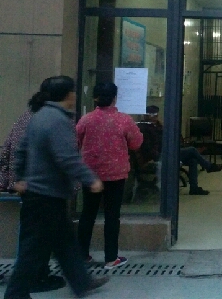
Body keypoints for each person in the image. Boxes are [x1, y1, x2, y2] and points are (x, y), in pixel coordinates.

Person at [4, 75, 109, 299]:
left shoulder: (39, 116)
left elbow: (21, 149)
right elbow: (66, 157)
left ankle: (82, 282)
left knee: (65, 242)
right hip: (46, 195)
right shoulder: (57, 120)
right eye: (73, 91)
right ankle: (15, 294)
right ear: (68, 95)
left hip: (40, 193)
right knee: (32, 250)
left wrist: (21, 176)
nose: (75, 95)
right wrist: (90, 179)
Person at [0, 79, 66, 294]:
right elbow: (61, 157)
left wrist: (14, 179)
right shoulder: (49, 119)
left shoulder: (27, 117)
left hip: (26, 185)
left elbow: (8, 150)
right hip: (41, 187)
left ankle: (31, 279)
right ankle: (35, 278)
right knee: (37, 240)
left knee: (34, 236)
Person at [76, 82, 143, 270]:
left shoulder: (86, 120)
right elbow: (136, 143)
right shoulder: (124, 120)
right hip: (116, 175)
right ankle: (111, 258)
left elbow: (75, 142)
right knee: (112, 216)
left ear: (94, 98)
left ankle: (82, 255)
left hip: (90, 174)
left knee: (87, 214)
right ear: (115, 98)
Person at [141, 105, 222, 196]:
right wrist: (158, 155)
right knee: (192, 150)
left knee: (193, 160)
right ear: (146, 116)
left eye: (156, 115)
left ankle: (194, 188)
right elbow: (148, 147)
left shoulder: (157, 126)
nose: (155, 117)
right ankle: (209, 166)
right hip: (160, 155)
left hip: (167, 152)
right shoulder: (145, 128)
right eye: (153, 115)